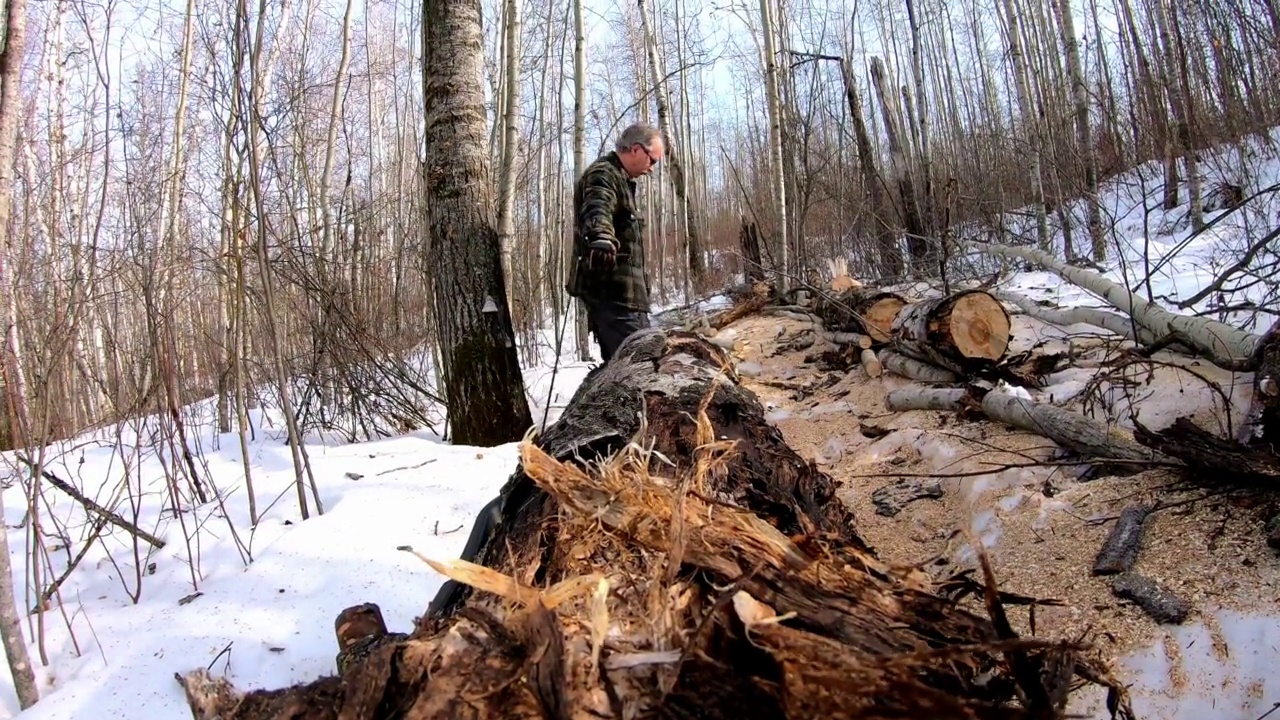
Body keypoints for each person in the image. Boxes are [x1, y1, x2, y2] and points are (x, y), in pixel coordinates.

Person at [567, 122, 664, 363]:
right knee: (639, 365)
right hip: (614, 297)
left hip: (626, 298)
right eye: (652, 160)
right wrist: (601, 236)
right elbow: (598, 205)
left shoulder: (620, 178)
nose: (651, 169)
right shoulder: (604, 174)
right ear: (636, 150)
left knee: (635, 363)